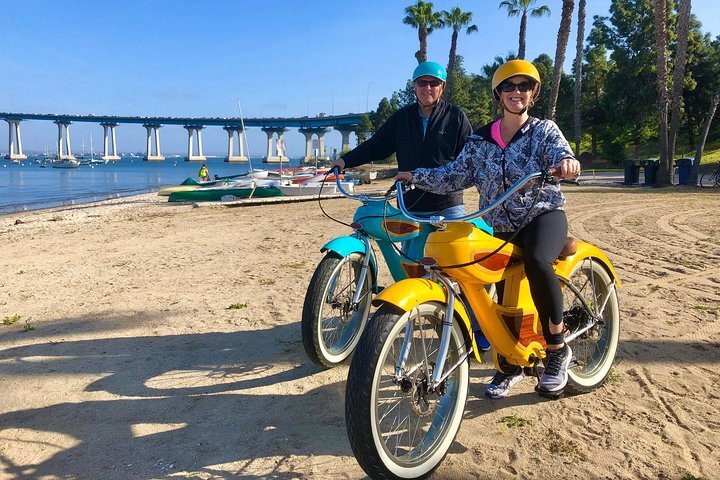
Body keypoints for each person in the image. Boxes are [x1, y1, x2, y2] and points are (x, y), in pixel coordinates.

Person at [395, 59, 581, 398]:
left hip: (542, 216)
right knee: (480, 281)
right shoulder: (480, 139)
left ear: (533, 93)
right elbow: (452, 174)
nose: (517, 92)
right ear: (498, 94)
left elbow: (563, 154)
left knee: (538, 261)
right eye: (509, 86)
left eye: (524, 86)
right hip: (498, 225)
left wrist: (566, 163)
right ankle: (508, 363)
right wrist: (415, 175)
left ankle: (556, 348)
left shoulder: (544, 131)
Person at [329, 61, 473, 260]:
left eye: (434, 83)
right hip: (410, 206)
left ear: (442, 86)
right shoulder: (401, 119)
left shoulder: (456, 117)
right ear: (414, 86)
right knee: (411, 264)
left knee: (459, 263)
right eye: (422, 83)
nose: (427, 88)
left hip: (447, 205)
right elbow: (375, 145)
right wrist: (345, 160)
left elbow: (470, 159)